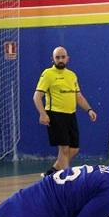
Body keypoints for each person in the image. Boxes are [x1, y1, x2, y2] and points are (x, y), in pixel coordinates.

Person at [33, 46, 97, 177]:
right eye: (57, 57)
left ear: (68, 58)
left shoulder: (72, 75)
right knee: (64, 149)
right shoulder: (48, 74)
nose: (60, 60)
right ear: (53, 59)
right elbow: (37, 96)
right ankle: (67, 178)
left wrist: (89, 109)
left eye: (63, 57)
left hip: (70, 116)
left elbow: (78, 96)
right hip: (55, 115)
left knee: (74, 149)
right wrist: (43, 113)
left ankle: (51, 173)